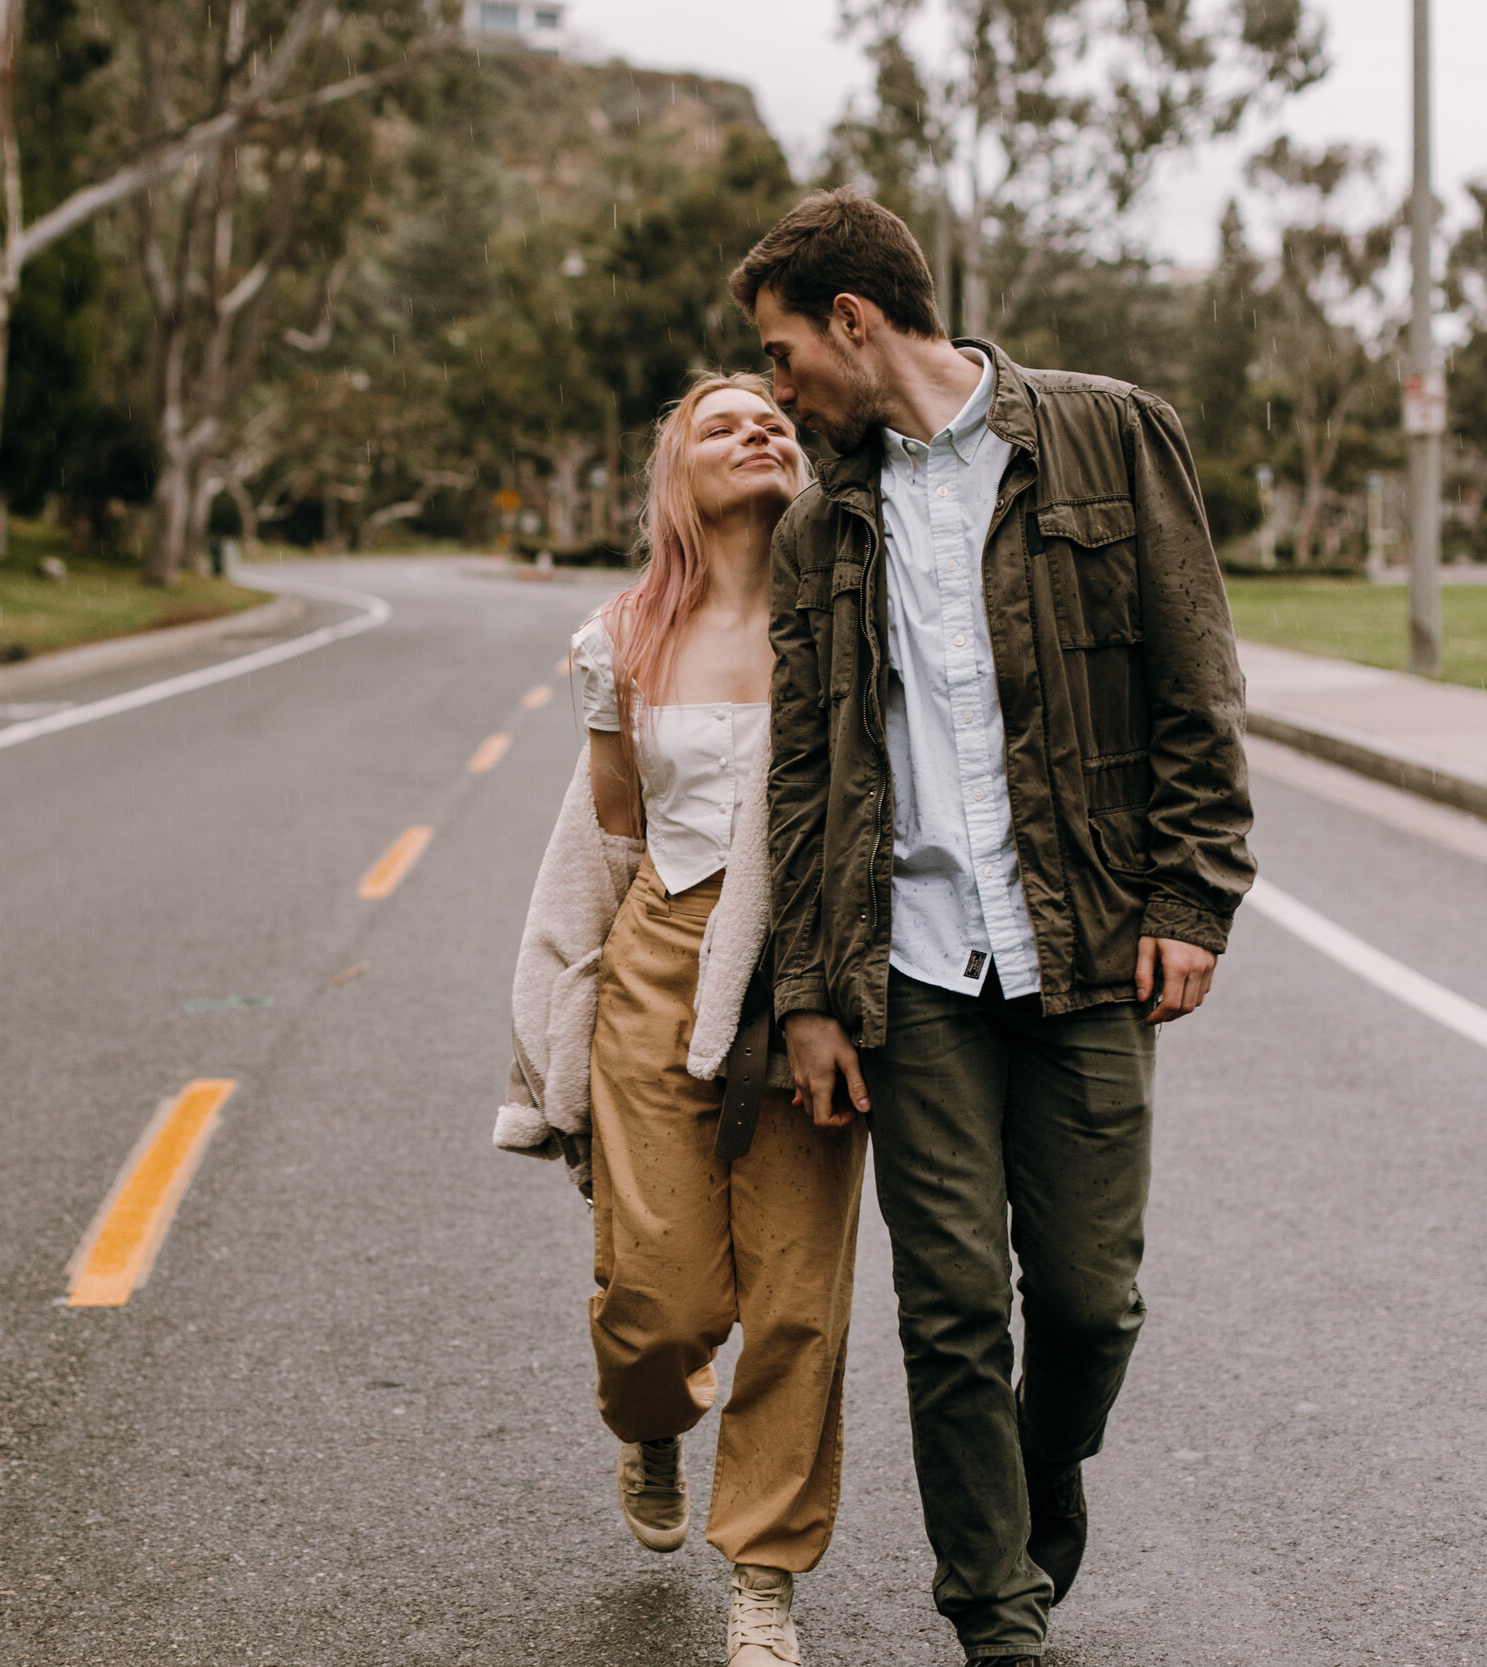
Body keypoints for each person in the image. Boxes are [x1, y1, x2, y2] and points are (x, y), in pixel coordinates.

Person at [730, 190, 1256, 1664]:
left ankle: (1038, 1494)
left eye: (784, 352)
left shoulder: (1108, 433)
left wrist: (1191, 896)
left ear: (854, 320)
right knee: (951, 1305)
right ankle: (995, 1616)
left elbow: (1195, 685)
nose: (779, 389)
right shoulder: (826, 523)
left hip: (1083, 942)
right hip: (915, 969)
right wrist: (813, 997)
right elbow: (808, 772)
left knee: (1090, 1306)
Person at [493, 372, 869, 1667]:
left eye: (773, 417)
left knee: (799, 1300)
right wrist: (556, 1020)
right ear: (677, 476)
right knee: (657, 1299)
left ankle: (765, 1574)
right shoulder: (624, 637)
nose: (758, 427)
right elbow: (608, 831)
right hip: (662, 961)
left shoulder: (853, 620)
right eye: (722, 422)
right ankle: (650, 1413)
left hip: (811, 979)